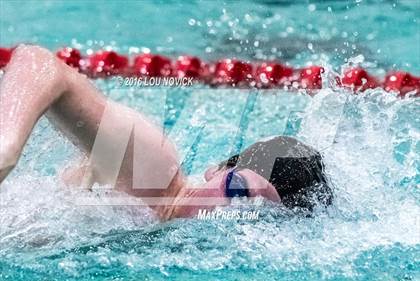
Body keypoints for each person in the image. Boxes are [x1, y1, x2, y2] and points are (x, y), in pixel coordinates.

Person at [0, 45, 332, 220]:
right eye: (239, 192)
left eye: (260, 220)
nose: (236, 216)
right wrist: (7, 148)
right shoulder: (157, 174)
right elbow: (38, 63)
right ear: (216, 169)